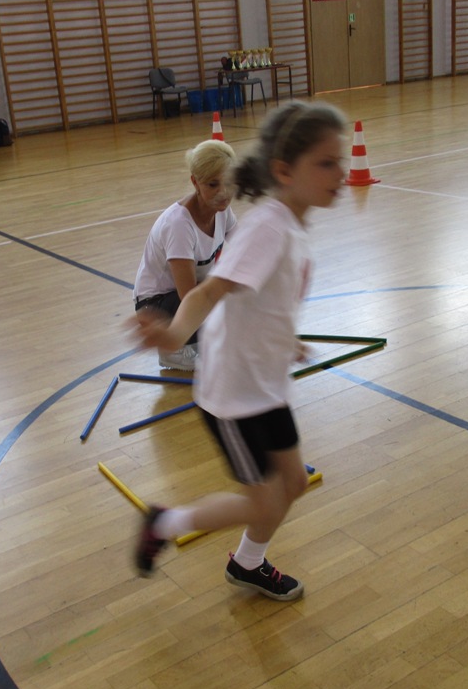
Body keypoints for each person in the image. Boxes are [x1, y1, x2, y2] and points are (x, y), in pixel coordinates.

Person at [132, 101, 348, 601]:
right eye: (326, 163)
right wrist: (173, 336)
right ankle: (164, 523)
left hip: (266, 386)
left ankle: (247, 564)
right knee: (263, 501)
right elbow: (208, 293)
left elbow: (263, 299)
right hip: (233, 395)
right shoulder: (268, 225)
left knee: (292, 483)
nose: (341, 173)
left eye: (341, 161)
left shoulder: (290, 224)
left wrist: (285, 338)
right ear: (284, 171)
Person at [132, 139, 238, 371]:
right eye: (213, 184)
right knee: (220, 295)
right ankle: (174, 351)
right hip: (158, 305)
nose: (223, 192)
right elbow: (188, 294)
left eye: (229, 183)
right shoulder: (179, 225)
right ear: (195, 182)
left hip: (192, 295)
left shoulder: (223, 211)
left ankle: (197, 340)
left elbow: (244, 252)